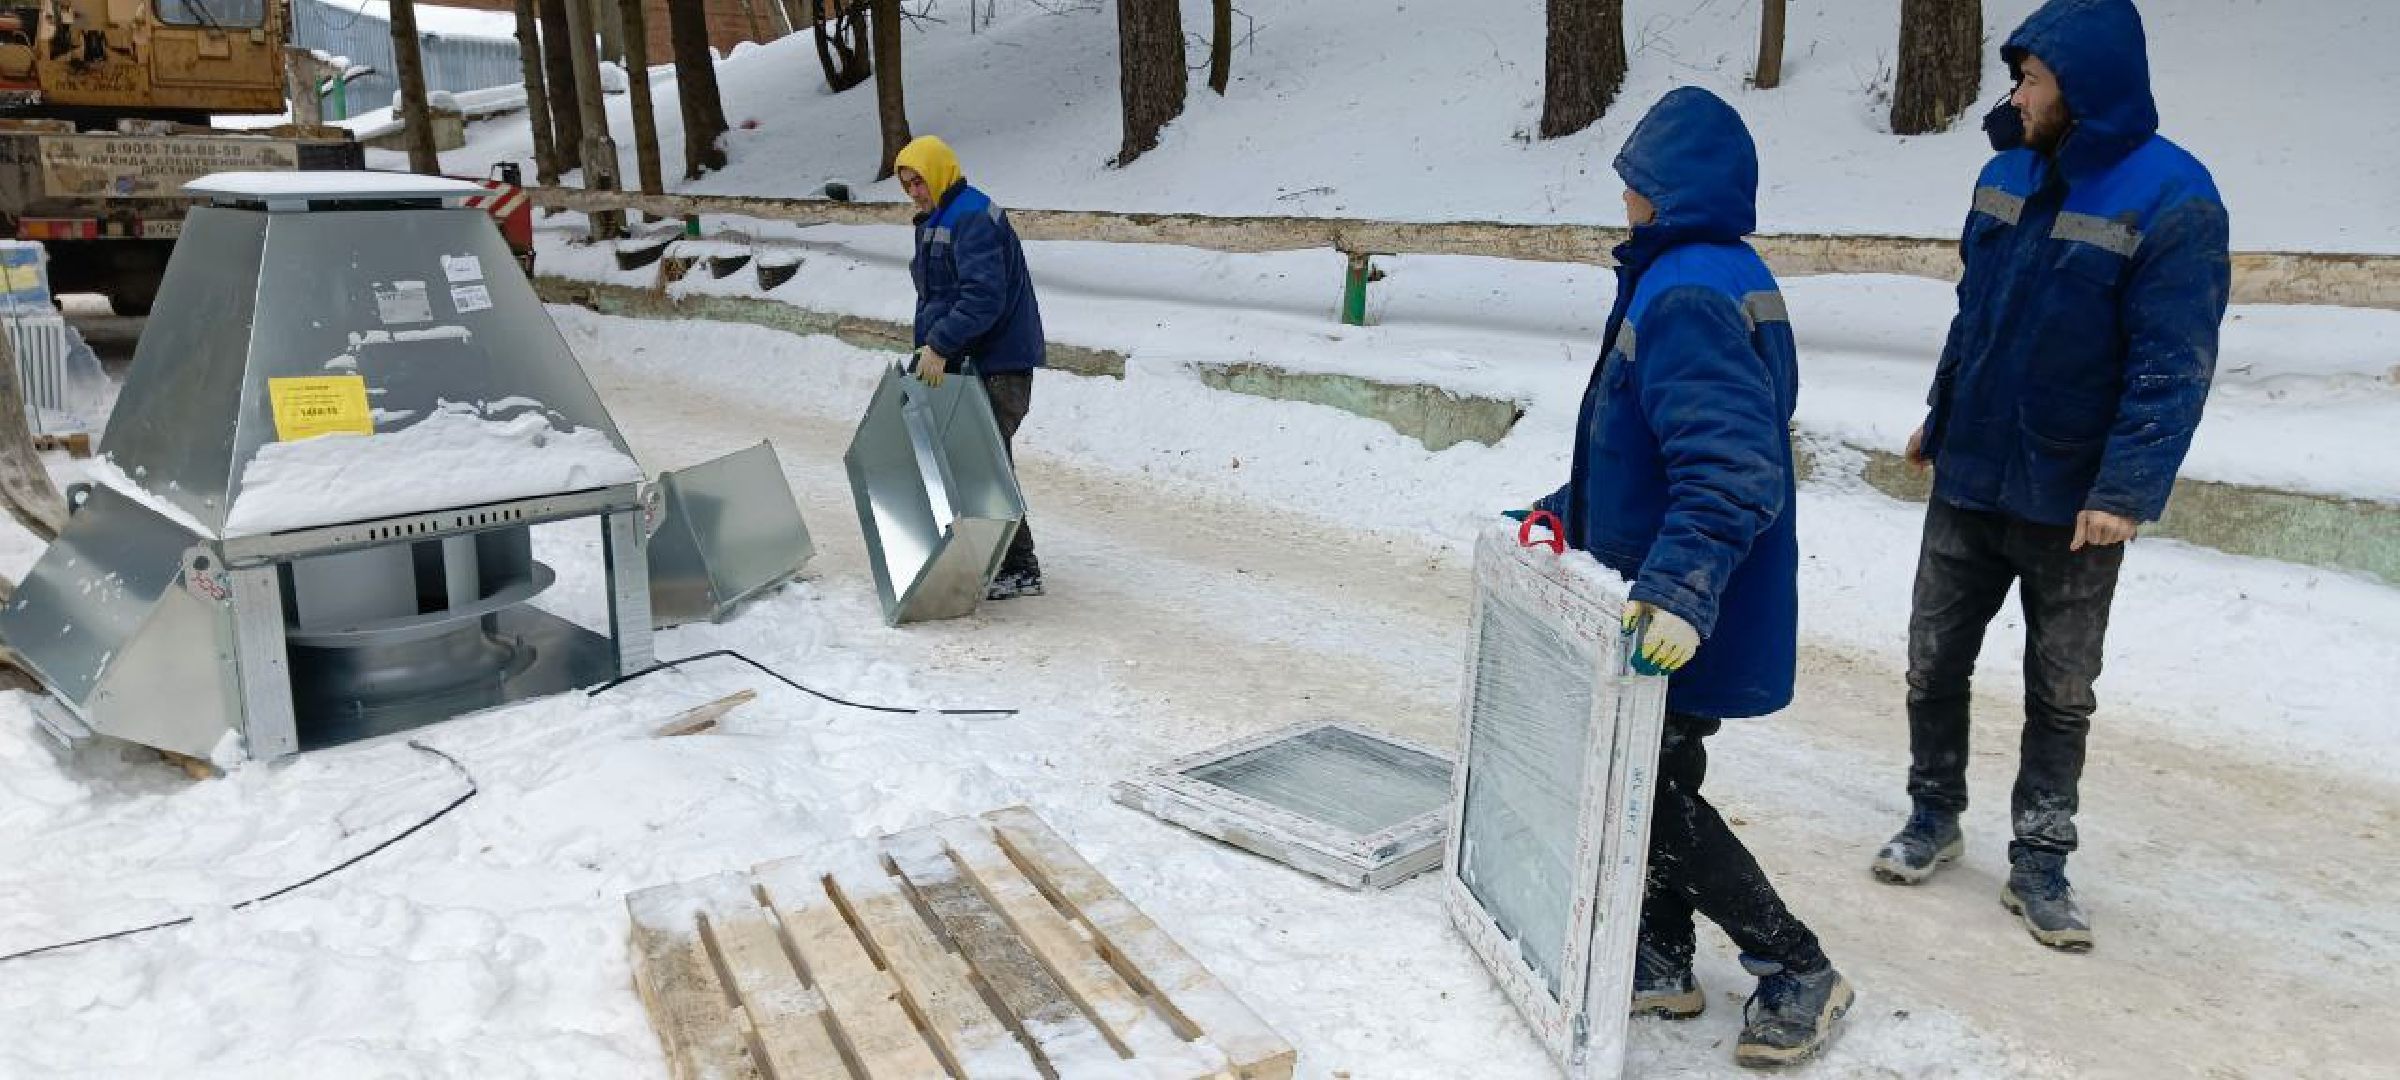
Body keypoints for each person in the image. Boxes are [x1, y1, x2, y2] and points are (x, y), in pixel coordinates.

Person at [1871, 0, 2229, 954]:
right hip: (1971, 468)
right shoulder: (2005, 172)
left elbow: (2173, 360)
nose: (2015, 94)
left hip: (2074, 499)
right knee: (1933, 660)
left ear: (2083, 90)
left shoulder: (2173, 199)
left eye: (2032, 81)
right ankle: (1933, 813)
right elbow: (1974, 314)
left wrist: (2125, 491)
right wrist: (1941, 413)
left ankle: (2041, 857)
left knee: (2060, 689)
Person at [1530, 87, 1851, 1070]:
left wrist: (1678, 593)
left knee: (1647, 789)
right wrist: (1560, 510)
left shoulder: (1691, 292)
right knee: (1658, 770)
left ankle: (1796, 965)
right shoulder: (1688, 275)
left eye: (1634, 178)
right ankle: (1662, 955)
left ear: (1665, 191)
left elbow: (1727, 466)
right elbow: (1640, 446)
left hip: (1676, 595)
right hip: (1655, 578)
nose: (1620, 194)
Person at [894, 135, 1049, 599]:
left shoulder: (972, 217)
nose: (914, 193)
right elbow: (938, 296)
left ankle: (1019, 566)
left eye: (918, 181)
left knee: (986, 462)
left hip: (999, 361)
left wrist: (940, 345)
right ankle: (999, 557)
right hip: (965, 358)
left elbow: (983, 297)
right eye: (906, 186)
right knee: (976, 460)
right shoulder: (938, 217)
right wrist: (929, 349)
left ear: (939, 171)